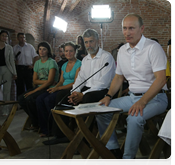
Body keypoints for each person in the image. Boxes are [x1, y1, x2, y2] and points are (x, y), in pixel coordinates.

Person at [97, 13, 168, 165]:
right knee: (101, 110)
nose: (127, 32)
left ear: (141, 29)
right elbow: (118, 78)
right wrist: (108, 96)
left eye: (131, 28)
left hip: (156, 98)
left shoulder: (152, 47)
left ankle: (128, 160)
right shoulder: (122, 50)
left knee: (134, 118)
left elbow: (161, 79)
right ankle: (113, 151)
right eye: (124, 28)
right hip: (132, 97)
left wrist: (142, 101)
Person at [36, 41, 81, 137]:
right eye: (66, 51)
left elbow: (75, 83)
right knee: (40, 99)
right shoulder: (64, 65)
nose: (68, 53)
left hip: (72, 89)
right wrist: (55, 88)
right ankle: (47, 128)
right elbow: (61, 81)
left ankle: (58, 128)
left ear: (75, 52)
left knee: (48, 100)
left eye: (71, 51)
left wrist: (58, 89)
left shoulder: (79, 64)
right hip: (61, 88)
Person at [68, 28, 116, 106]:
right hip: (87, 89)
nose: (89, 45)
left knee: (87, 97)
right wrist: (75, 92)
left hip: (102, 90)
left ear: (97, 41)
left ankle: (82, 118)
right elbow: (81, 78)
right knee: (63, 96)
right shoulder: (85, 59)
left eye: (91, 41)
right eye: (86, 42)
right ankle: (70, 118)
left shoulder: (106, 57)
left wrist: (83, 94)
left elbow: (104, 83)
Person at [18, 41, 59, 130]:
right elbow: (34, 80)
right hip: (42, 86)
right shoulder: (37, 63)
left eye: (44, 49)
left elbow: (50, 82)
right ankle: (35, 119)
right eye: (40, 49)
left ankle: (37, 123)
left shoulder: (51, 62)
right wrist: (47, 81)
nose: (41, 51)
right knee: (21, 99)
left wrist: (46, 83)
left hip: (49, 88)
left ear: (48, 51)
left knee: (30, 98)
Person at [13, 33, 39, 99]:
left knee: (29, 85)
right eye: (21, 37)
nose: (23, 39)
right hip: (19, 68)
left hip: (28, 68)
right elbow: (12, 59)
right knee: (19, 86)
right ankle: (21, 102)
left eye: (24, 37)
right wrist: (15, 62)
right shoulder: (15, 48)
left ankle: (30, 100)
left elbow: (36, 56)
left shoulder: (30, 47)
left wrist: (33, 65)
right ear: (18, 38)